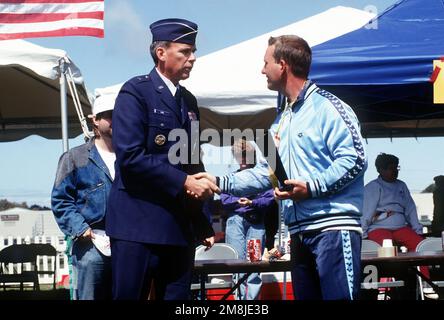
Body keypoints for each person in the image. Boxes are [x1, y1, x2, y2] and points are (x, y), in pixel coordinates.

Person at [196, 35, 367, 300]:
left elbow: (355, 159)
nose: (262, 69)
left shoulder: (329, 107)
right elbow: (266, 173)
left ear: (283, 65)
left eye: (266, 63)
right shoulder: (281, 121)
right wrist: (218, 181)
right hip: (300, 234)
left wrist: (310, 187)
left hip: (333, 229)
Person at [105, 18, 219, 300]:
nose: (192, 58)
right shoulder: (135, 92)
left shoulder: (189, 101)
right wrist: (183, 182)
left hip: (179, 229)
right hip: (138, 226)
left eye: (193, 51)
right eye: (185, 51)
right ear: (161, 52)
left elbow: (193, 163)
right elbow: (130, 156)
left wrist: (204, 221)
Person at [51, 94, 115, 300]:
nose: (116, 120)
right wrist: (81, 228)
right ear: (95, 119)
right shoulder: (74, 157)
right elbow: (61, 200)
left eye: (120, 115)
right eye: (109, 115)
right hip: (91, 244)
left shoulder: (132, 157)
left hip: (127, 243)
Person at [220, 139, 276, 300]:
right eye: (239, 155)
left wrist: (252, 202)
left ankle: (252, 304)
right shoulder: (231, 177)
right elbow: (224, 199)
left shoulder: (262, 177)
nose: (242, 159)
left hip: (255, 224)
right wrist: (240, 201)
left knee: (253, 264)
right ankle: (239, 302)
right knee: (237, 264)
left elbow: (269, 198)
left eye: (245, 155)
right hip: (235, 223)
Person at [362, 153, 426, 251]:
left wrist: (418, 231)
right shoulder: (372, 187)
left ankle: (423, 267)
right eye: (390, 168)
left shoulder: (401, 185)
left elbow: (410, 209)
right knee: (387, 252)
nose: (395, 171)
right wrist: (363, 234)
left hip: (401, 227)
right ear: (380, 170)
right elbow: (366, 213)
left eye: (396, 168)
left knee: (421, 247)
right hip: (378, 229)